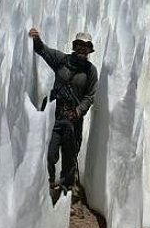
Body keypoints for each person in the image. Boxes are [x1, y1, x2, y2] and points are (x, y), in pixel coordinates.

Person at [28, 27, 98, 194]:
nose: (82, 48)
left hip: (74, 121)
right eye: (80, 45)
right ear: (74, 46)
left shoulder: (90, 71)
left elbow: (90, 96)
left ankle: (66, 191)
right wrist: (36, 39)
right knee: (50, 153)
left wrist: (78, 111)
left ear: (89, 50)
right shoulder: (62, 60)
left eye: (86, 46)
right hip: (56, 116)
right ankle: (48, 186)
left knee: (70, 157)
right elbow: (43, 50)